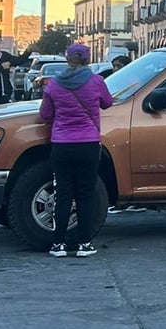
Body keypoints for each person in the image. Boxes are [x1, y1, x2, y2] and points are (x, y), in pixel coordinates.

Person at [38, 43, 113, 258]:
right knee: (85, 194)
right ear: (87, 59)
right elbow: (107, 103)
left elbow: (45, 114)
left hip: (61, 144)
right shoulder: (96, 81)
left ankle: (58, 245)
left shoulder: (53, 85)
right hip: (88, 144)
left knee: (63, 194)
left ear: (67, 58)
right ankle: (85, 244)